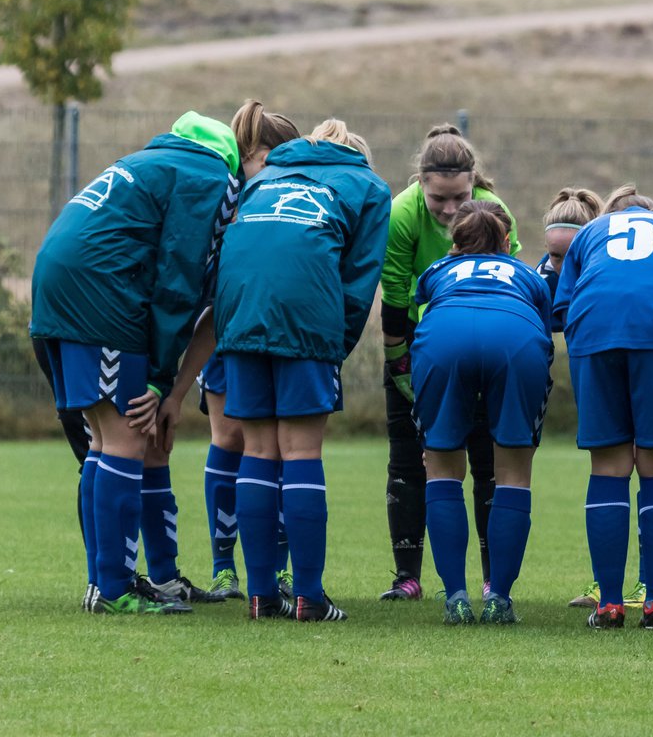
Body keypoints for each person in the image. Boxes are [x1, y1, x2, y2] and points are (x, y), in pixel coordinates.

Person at [30, 110, 242, 615]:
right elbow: (178, 279)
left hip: (57, 292)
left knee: (106, 440)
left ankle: (110, 582)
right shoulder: (209, 177)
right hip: (99, 298)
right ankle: (114, 589)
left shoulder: (151, 161)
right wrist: (157, 379)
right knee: (125, 438)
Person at [213, 118, 391, 622]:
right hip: (305, 313)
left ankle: (260, 594)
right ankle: (310, 596)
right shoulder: (367, 187)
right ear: (355, 154)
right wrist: (335, 347)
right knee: (301, 451)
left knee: (258, 449)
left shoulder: (262, 179)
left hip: (238, 311)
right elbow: (358, 283)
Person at [131, 101, 302, 602]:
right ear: (258, 155)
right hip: (224, 339)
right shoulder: (221, 199)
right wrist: (175, 385)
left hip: (275, 334)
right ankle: (225, 567)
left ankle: (280, 569)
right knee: (229, 438)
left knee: (286, 447)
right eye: (279, 161)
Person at [554, 185, 653, 630]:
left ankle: (610, 605)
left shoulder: (590, 233)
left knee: (609, 466)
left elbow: (564, 308)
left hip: (596, 331)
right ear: (652, 214)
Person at [378, 124, 520, 602]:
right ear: (421, 183)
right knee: (408, 461)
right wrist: (401, 370)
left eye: (458, 197)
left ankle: (488, 577)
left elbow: (516, 274)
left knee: (485, 462)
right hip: (421, 344)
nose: (447, 208)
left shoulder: (495, 212)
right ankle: (408, 577)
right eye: (437, 197)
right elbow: (395, 294)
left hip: (475, 343)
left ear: (474, 183)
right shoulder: (400, 212)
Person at [411, 201, 553, 625]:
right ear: (506, 241)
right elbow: (543, 327)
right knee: (512, 472)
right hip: (515, 337)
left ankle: (455, 596)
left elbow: (421, 305)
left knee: (441, 466)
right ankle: (499, 599)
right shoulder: (529, 275)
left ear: (454, 242)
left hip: (444, 337)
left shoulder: (436, 271)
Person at [535, 187, 650, 611]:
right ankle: (608, 584)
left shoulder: (621, 268)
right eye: (554, 256)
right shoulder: (543, 274)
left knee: (649, 464)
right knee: (611, 469)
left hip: (647, 359)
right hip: (599, 366)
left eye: (568, 256)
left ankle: (648, 584)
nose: (559, 266)